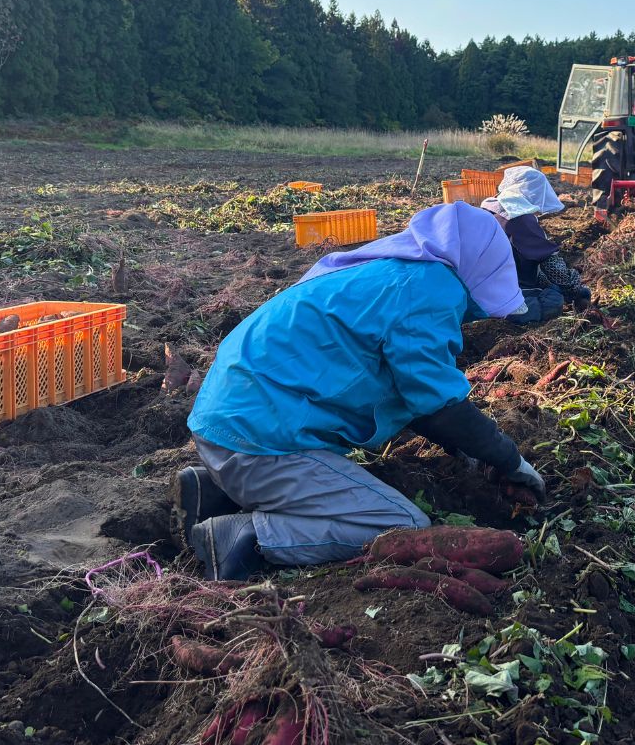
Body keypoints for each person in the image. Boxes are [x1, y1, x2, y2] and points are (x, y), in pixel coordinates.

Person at [172, 202, 547, 581]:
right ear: (482, 265)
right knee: (399, 523)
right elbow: (439, 403)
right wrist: (509, 459)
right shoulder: (427, 290)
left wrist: (471, 453)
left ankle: (212, 491)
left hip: (227, 422)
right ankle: (245, 537)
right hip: (258, 444)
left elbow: (419, 398)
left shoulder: (388, 270)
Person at [481, 167, 592, 310]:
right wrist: (575, 288)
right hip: (502, 290)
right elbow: (550, 262)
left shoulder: (489, 207)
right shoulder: (520, 218)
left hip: (480, 282)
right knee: (553, 300)